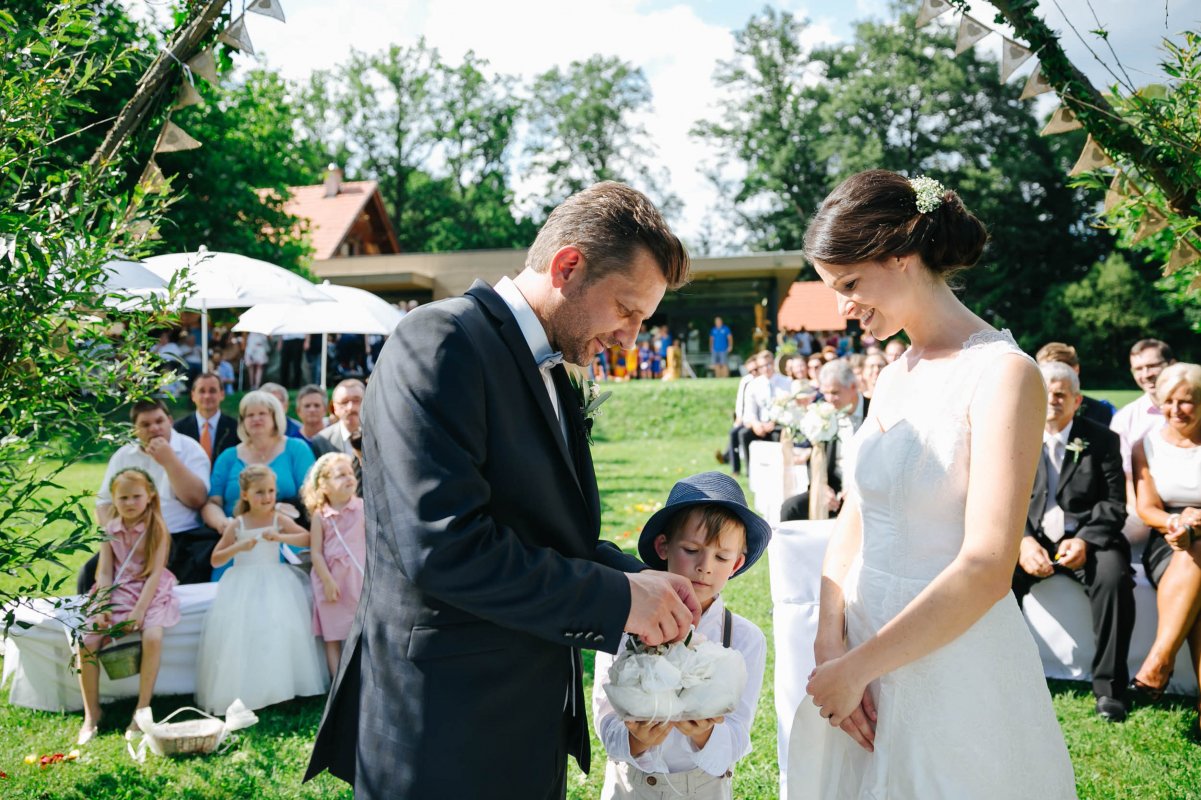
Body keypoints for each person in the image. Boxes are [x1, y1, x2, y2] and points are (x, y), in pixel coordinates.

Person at [305, 181, 701, 799]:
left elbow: (543, 530)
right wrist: (616, 598)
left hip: (524, 716)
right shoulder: (441, 342)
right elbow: (444, 547)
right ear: (568, 266)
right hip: (444, 726)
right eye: (627, 310)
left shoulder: (550, 362)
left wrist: (640, 582)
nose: (631, 338)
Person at [796, 171, 1075, 797]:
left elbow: (986, 565)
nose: (843, 308)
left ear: (901, 255)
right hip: (860, 643)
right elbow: (857, 516)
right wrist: (829, 642)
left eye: (849, 284)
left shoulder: (1005, 375)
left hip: (952, 657)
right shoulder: (895, 372)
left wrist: (857, 668)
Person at [593, 472, 769, 799]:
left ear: (737, 563)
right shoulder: (624, 622)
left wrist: (704, 736)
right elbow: (605, 721)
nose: (705, 566)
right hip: (630, 787)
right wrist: (638, 740)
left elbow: (737, 738)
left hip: (704, 789)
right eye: (691, 549)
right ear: (663, 546)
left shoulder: (745, 639)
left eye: (721, 557)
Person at [1012, 361, 1134, 721]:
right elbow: (999, 499)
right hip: (1030, 539)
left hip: (1089, 540)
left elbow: (1115, 505)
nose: (1052, 399)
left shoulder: (1102, 439)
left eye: (1061, 393)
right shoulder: (1015, 434)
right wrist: (1022, 541)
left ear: (1077, 400)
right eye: (1046, 392)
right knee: (994, 579)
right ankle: (1004, 679)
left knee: (1114, 578)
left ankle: (1110, 691)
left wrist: (1085, 540)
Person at [195, 466, 327, 713]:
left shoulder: (278, 518)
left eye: (271, 491)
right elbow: (216, 559)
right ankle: (249, 689)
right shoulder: (238, 523)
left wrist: (280, 538)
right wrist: (239, 547)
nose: (267, 497)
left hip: (276, 581)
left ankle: (283, 687)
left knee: (278, 631)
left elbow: (307, 538)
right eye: (259, 492)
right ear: (244, 495)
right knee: (245, 634)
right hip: (243, 585)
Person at [75, 467, 180, 745]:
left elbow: (156, 573)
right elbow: (106, 572)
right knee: (87, 639)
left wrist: (139, 611)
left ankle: (142, 710)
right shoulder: (109, 529)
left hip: (149, 590)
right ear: (113, 499)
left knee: (153, 636)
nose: (130, 503)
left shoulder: (157, 528)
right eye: (123, 498)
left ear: (149, 496)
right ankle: (92, 712)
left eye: (136, 496)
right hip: (117, 588)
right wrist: (103, 602)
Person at [79, 399, 212, 590]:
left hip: (178, 536)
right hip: (129, 538)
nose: (154, 429)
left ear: (170, 421)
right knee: (89, 573)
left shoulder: (190, 449)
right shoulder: (124, 455)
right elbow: (104, 503)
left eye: (159, 421)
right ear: (135, 430)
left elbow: (197, 500)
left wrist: (169, 461)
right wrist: (117, 537)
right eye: (145, 424)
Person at [1130, 363, 1201, 714]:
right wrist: (1177, 522)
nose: (1176, 410)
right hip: (1167, 539)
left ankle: (1159, 660)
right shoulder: (1146, 445)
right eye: (1168, 401)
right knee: (1194, 552)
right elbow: (1147, 508)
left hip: (1196, 536)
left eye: (1186, 402)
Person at [201, 391, 316, 578]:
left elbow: (312, 496)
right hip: (239, 542)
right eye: (249, 415)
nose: (256, 419)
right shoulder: (228, 456)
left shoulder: (296, 449)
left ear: (275, 417)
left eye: (262, 413)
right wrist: (225, 525)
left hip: (283, 540)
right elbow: (212, 502)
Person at [780, 360, 869, 522]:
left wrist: (858, 489)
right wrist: (820, 486)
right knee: (790, 508)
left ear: (853, 387)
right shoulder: (824, 413)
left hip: (868, 493)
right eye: (825, 392)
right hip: (834, 492)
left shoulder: (873, 412)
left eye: (835, 392)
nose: (829, 399)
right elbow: (816, 455)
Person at [303, 452, 366, 677]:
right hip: (330, 582)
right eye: (341, 475)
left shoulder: (362, 509)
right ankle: (337, 684)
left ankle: (363, 680)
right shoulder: (321, 516)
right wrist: (327, 581)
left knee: (360, 630)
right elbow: (316, 552)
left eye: (351, 473)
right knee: (333, 635)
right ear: (324, 486)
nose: (349, 478)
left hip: (357, 579)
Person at [1035, 341, 1117, 426]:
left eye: (1058, 370)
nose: (1050, 377)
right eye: (1043, 372)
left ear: (1076, 370)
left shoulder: (1101, 412)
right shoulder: (1030, 409)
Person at [736, 350, 791, 477]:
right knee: (743, 434)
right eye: (761, 366)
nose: (766, 368)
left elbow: (788, 409)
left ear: (773, 364)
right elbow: (750, 411)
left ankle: (779, 470)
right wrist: (756, 424)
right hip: (760, 425)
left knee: (779, 434)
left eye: (768, 364)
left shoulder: (786, 382)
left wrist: (774, 422)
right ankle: (751, 473)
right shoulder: (753, 385)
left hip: (778, 424)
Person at [174, 372, 238, 464]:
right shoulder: (179, 429)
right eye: (202, 391)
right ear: (193, 395)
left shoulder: (235, 428)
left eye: (212, 391)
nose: (207, 396)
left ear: (222, 394)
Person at [716, 354, 762, 475]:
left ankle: (728, 457)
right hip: (746, 418)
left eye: (756, 369)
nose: (754, 372)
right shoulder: (747, 381)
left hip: (759, 420)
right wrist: (739, 417)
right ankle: (735, 469)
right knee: (733, 433)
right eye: (750, 370)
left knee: (740, 434)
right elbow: (741, 400)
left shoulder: (764, 381)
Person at [311, 379, 365, 459]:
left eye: (356, 400)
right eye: (344, 402)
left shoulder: (380, 437)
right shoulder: (321, 441)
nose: (350, 407)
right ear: (334, 407)